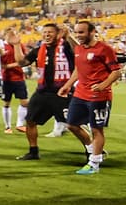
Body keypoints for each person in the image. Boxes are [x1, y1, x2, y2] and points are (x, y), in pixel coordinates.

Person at [15, 22, 92, 162]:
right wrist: (16, 45)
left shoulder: (66, 47)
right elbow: (22, 62)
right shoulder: (39, 50)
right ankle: (33, 151)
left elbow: (80, 52)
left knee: (73, 125)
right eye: (44, 32)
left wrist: (68, 36)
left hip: (62, 92)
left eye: (50, 32)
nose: (46, 35)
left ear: (57, 34)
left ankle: (92, 151)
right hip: (43, 92)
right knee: (30, 121)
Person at [58, 19, 122, 175]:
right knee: (71, 125)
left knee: (96, 130)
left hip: (98, 95)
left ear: (92, 32)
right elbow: (78, 70)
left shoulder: (104, 49)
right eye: (77, 32)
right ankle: (93, 150)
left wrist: (103, 85)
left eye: (82, 32)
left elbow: (116, 72)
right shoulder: (79, 49)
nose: (79, 35)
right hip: (80, 93)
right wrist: (67, 85)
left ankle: (94, 164)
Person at [0, 28, 30, 133]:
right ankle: (7, 127)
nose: (13, 36)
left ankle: (20, 124)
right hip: (6, 79)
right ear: (5, 35)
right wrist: (16, 64)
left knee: (24, 102)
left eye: (14, 34)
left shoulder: (19, 45)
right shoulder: (1, 46)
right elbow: (1, 65)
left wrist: (20, 63)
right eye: (11, 34)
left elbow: (24, 60)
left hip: (19, 78)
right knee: (6, 103)